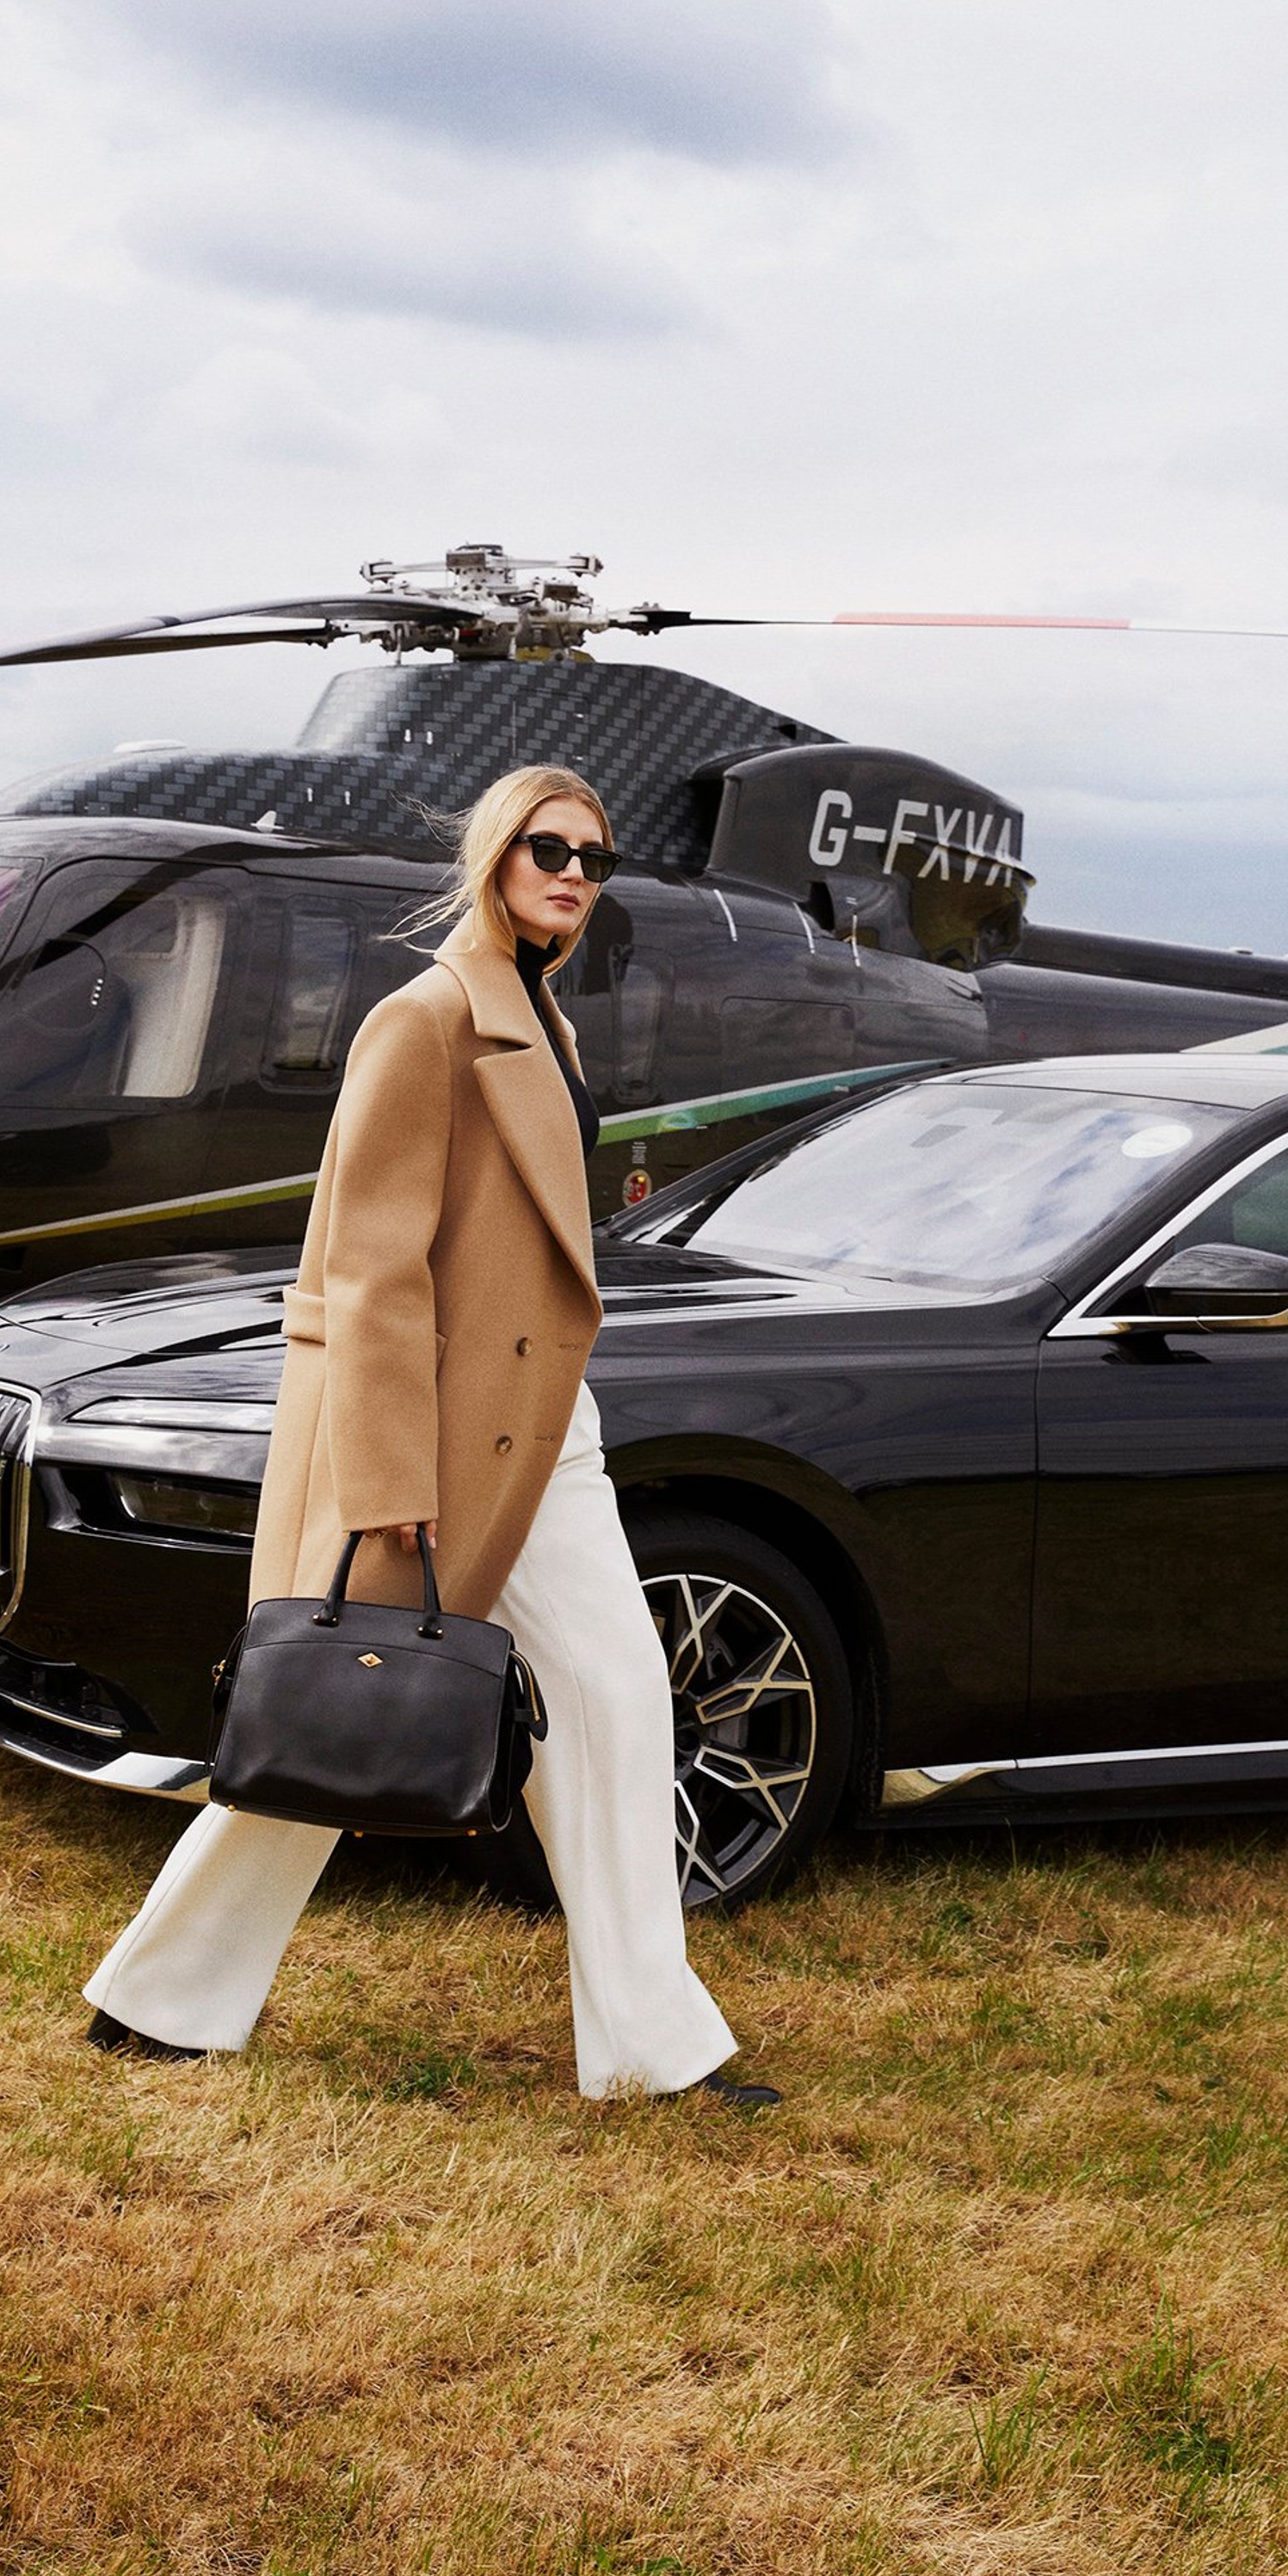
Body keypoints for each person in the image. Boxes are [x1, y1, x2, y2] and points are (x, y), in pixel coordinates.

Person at [83, 764, 779, 2108]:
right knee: (340, 1711)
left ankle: (653, 2047)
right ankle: (158, 1997)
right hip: (441, 1438)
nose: (574, 872)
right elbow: (372, 1269)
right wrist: (394, 1472)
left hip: (539, 1431)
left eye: (594, 856)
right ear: (492, 858)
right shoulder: (428, 1019)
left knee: (622, 1704)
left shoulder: (542, 1018)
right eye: (547, 848)